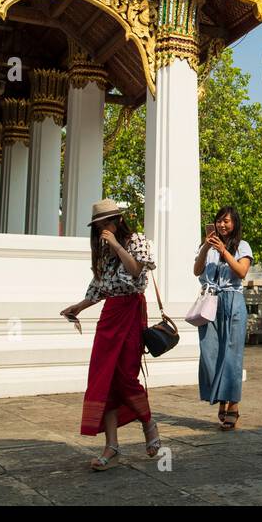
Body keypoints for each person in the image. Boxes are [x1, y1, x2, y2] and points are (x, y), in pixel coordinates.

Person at [59, 199, 160, 472]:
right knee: (104, 378)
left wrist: (116, 244)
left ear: (116, 221)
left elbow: (137, 270)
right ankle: (111, 446)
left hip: (131, 310)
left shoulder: (137, 241)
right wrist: (78, 307)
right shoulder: (103, 254)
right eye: (98, 226)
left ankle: (148, 423)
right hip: (110, 314)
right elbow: (98, 288)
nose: (101, 230)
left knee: (126, 375)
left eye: (104, 224)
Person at [193, 206, 252, 431]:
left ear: (234, 223)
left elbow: (241, 272)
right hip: (209, 302)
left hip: (232, 300)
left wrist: (224, 251)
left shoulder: (242, 246)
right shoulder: (206, 247)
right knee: (209, 353)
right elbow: (197, 271)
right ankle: (220, 396)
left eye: (226, 221)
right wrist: (207, 247)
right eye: (219, 221)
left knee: (232, 355)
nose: (222, 225)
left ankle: (233, 405)